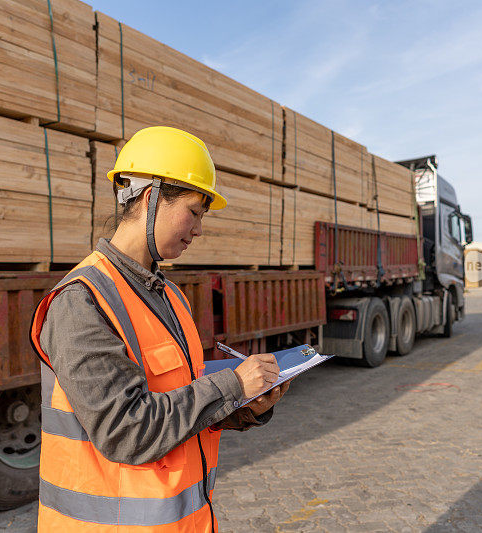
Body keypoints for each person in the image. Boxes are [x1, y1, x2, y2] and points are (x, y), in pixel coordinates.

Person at [30, 126, 290, 532]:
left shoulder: (169, 296)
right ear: (152, 198)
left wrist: (246, 408)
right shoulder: (81, 301)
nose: (199, 229)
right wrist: (232, 386)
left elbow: (180, 406)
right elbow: (127, 429)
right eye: (195, 211)